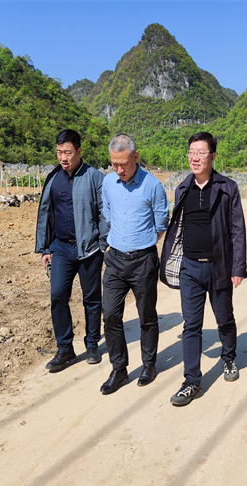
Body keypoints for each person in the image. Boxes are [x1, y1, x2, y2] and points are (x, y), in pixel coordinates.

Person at [159, 131, 247, 406]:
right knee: (191, 325)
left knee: (224, 318)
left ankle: (229, 357)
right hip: (190, 268)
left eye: (200, 153)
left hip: (219, 266)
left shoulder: (227, 187)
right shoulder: (183, 188)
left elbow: (237, 230)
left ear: (212, 156)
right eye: (191, 153)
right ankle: (191, 381)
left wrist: (238, 267)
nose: (194, 158)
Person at [98, 134, 169, 395]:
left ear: (136, 157)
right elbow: (107, 213)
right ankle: (119, 368)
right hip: (115, 261)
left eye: (124, 164)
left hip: (143, 262)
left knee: (146, 316)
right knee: (110, 315)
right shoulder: (108, 182)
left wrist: (141, 243)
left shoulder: (153, 186)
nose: (119, 170)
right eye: (114, 164)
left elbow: (161, 224)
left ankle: (149, 364)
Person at [35, 129, 109, 373]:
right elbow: (47, 214)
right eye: (59, 152)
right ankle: (65, 348)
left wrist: (102, 243)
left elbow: (104, 212)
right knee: (58, 296)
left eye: (67, 152)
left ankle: (92, 344)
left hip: (89, 249)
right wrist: (46, 247)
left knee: (91, 299)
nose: (63, 157)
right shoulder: (53, 178)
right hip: (61, 248)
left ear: (79, 151)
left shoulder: (94, 177)